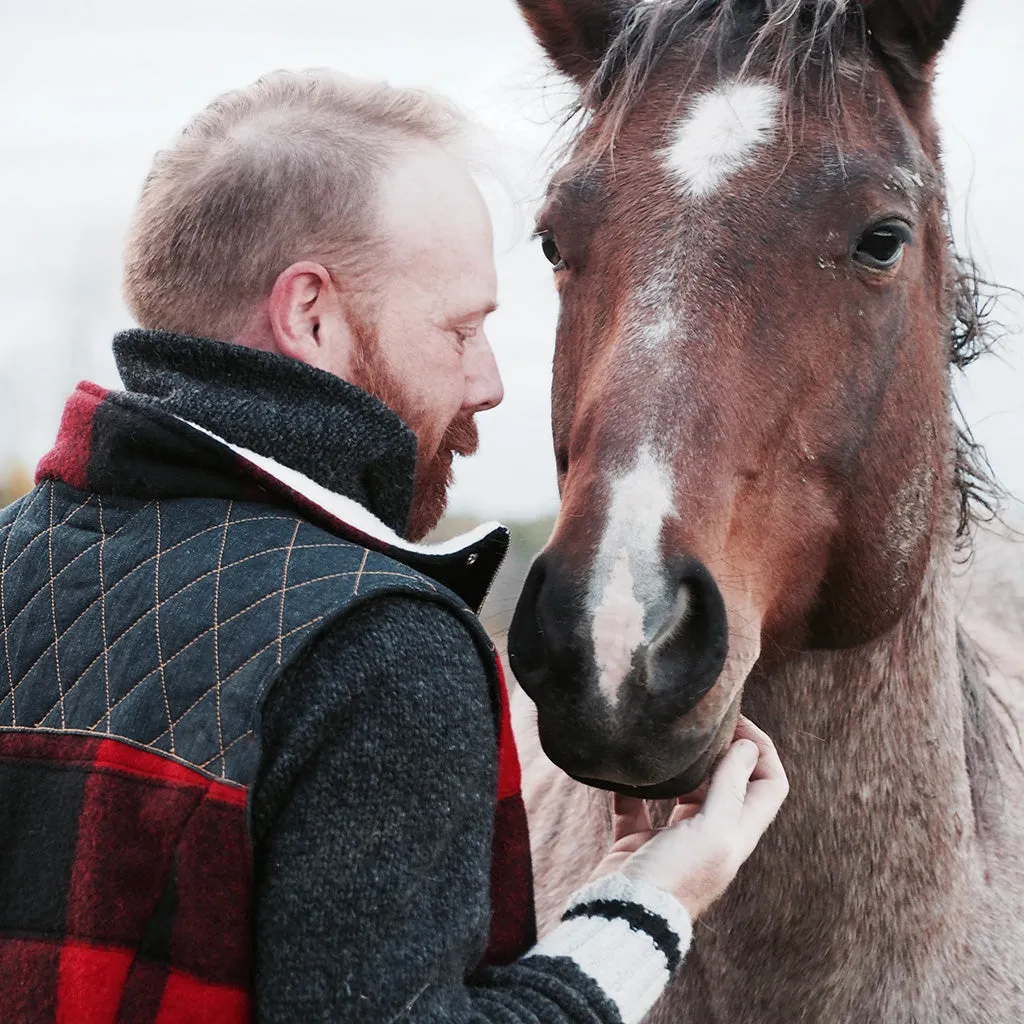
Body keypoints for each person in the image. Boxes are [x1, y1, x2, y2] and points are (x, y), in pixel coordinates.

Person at [0, 70, 788, 1024]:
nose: (490, 383)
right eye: (461, 328)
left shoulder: (14, 556)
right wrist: (645, 907)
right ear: (312, 316)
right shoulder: (377, 649)